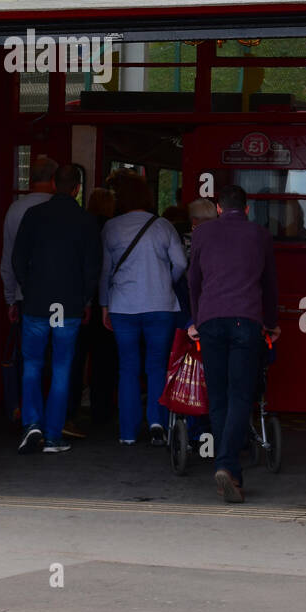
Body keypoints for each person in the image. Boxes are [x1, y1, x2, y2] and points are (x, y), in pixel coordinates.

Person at [187, 184, 280, 504]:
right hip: (246, 320)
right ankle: (227, 466)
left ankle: (228, 469)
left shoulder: (202, 235)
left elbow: (193, 282)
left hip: (211, 321)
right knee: (241, 395)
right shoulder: (260, 235)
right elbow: (268, 286)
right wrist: (271, 323)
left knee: (219, 396)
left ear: (218, 208)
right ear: (248, 208)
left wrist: (197, 320)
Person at [11, 163, 102, 454]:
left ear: (52, 184)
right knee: (62, 367)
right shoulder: (86, 220)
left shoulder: (34, 215)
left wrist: (28, 287)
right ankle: (52, 435)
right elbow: (93, 268)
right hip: (68, 304)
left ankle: (32, 424)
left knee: (33, 364)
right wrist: (83, 298)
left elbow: (18, 258)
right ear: (77, 188)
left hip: (37, 301)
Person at [100, 172, 187, 447]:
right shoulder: (162, 226)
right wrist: (165, 283)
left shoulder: (111, 227)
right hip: (160, 306)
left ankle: (127, 432)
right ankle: (157, 424)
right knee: (157, 367)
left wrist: (104, 304)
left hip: (123, 307)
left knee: (127, 368)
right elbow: (181, 263)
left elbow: (104, 272)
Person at [66, 187, 117, 430]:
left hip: (80, 299)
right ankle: (102, 409)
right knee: (104, 360)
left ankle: (71, 408)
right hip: (106, 302)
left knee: (76, 357)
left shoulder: (80, 224)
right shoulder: (113, 226)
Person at [0, 156, 58, 320]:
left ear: (31, 179)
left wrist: (10, 299)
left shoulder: (16, 209)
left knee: (30, 342)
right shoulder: (61, 209)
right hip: (58, 294)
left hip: (24, 294)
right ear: (54, 179)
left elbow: (8, 258)